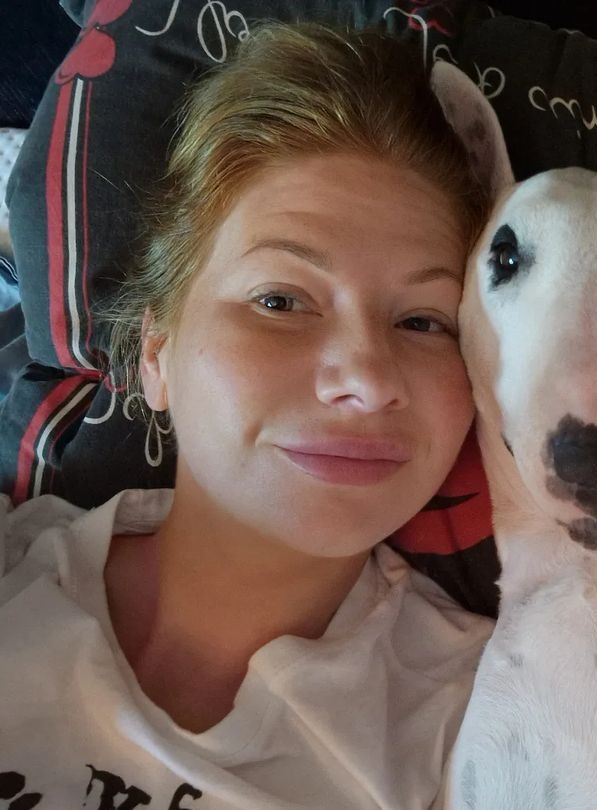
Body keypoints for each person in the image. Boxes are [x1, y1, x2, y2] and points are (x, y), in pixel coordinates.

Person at [0, 22, 494, 808]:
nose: (367, 379)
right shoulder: (14, 568)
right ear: (156, 352)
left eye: (424, 321)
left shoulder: (484, 731)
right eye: (280, 300)